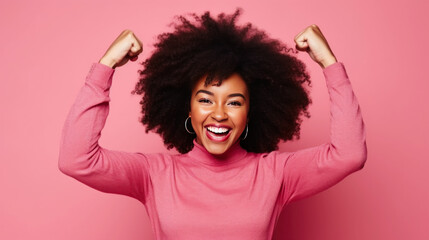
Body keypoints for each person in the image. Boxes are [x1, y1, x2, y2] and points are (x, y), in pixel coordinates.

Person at [58, 9, 367, 240]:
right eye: (206, 99)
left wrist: (329, 63)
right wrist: (105, 66)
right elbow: (76, 160)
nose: (219, 113)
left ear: (250, 113)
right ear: (187, 110)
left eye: (234, 102)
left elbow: (349, 154)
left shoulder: (275, 173)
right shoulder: (154, 175)